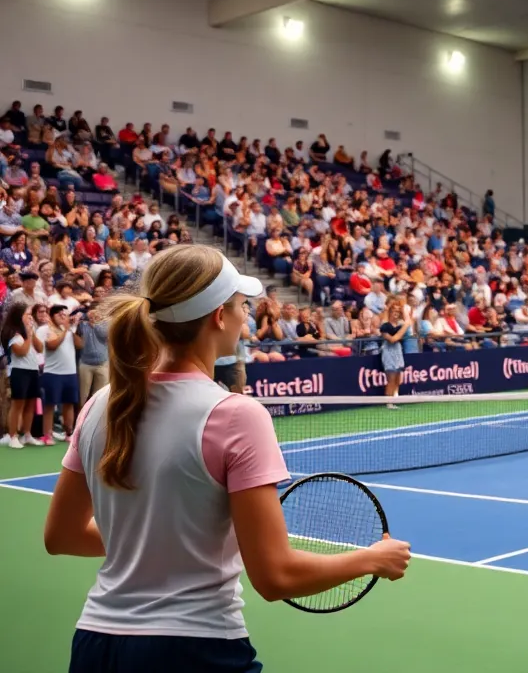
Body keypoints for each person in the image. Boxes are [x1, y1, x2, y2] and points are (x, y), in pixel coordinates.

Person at [43, 245, 411, 671]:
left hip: (95, 647)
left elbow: (61, 536)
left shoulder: (97, 406)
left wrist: (160, 538)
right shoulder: (237, 415)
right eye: (242, 306)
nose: (246, 316)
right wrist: (372, 559)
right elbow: (276, 577)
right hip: (195, 651)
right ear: (219, 317)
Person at [37, 304, 84, 445]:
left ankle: (68, 432)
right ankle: (47, 435)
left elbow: (80, 345)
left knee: (69, 404)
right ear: (52, 316)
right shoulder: (46, 330)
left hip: (70, 373)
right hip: (52, 373)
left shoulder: (69, 331)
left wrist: (71, 329)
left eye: (65, 314)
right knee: (50, 405)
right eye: (60, 315)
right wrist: (65, 330)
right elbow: (52, 345)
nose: (63, 317)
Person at [2, 301, 44, 448]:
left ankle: (27, 435)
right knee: (17, 404)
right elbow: (22, 352)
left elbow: (40, 348)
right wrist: (28, 334)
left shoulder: (29, 331)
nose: (30, 317)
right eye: (27, 314)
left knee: (31, 403)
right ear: (20, 316)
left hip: (33, 371)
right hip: (19, 372)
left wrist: (31, 333)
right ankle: (13, 436)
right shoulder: (13, 334)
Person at [379, 300, 409, 408]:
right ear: (390, 312)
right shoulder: (385, 326)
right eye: (394, 311)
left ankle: (395, 398)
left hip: (398, 351)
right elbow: (392, 340)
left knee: (397, 378)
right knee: (391, 379)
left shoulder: (400, 325)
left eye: (398, 311)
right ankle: (389, 402)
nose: (396, 313)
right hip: (388, 352)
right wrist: (406, 325)